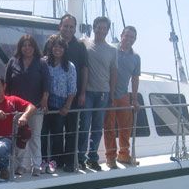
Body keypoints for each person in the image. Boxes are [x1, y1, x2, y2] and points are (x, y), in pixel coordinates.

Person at [4, 34, 50, 176]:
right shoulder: (13, 62)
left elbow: (47, 84)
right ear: (20, 47)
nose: (27, 48)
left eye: (30, 45)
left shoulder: (41, 63)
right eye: (24, 45)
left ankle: (36, 165)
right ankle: (21, 166)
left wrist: (45, 100)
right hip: (18, 108)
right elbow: (7, 84)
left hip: (35, 106)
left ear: (34, 47)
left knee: (35, 136)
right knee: (20, 137)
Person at [78, 16, 117, 171]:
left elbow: (114, 72)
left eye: (104, 28)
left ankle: (92, 158)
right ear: (93, 28)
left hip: (103, 93)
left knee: (97, 128)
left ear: (108, 30)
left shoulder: (112, 50)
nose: (101, 30)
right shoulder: (85, 44)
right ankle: (80, 157)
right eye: (98, 27)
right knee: (84, 127)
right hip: (87, 92)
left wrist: (112, 94)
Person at [54, 13, 87, 172]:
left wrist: (82, 93)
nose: (68, 29)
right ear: (60, 26)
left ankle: (69, 161)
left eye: (71, 26)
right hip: (55, 97)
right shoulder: (52, 42)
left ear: (75, 29)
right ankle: (57, 161)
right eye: (65, 26)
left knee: (72, 129)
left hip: (73, 96)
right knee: (57, 130)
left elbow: (84, 69)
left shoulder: (80, 46)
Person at [103, 26, 140, 168]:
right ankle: (110, 157)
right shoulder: (112, 51)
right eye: (127, 36)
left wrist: (135, 99)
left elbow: (135, 79)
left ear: (135, 39)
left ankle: (124, 155)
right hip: (109, 95)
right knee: (109, 127)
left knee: (126, 127)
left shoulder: (136, 58)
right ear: (121, 35)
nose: (129, 39)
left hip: (124, 95)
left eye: (132, 37)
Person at [41, 34, 77, 172]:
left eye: (61, 46)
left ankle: (56, 161)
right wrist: (43, 101)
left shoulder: (69, 66)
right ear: (51, 47)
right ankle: (43, 160)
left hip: (61, 103)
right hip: (45, 101)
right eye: (55, 46)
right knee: (43, 133)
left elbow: (72, 89)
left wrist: (67, 106)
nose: (57, 49)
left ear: (64, 49)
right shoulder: (44, 62)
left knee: (57, 134)